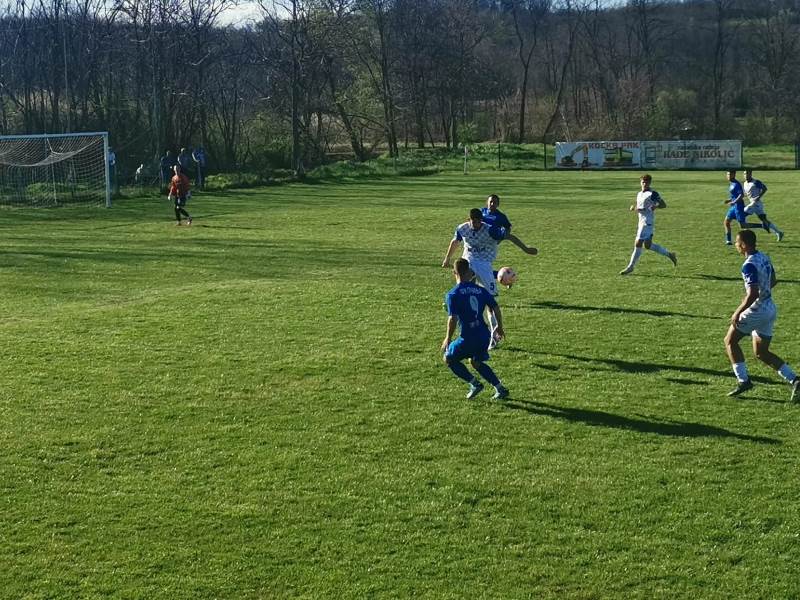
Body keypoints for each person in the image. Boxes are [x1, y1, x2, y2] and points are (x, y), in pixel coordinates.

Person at [442, 208, 537, 346]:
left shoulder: (490, 230)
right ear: (469, 220)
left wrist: (526, 249)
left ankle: (494, 333)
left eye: (478, 222)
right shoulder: (463, 228)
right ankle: (454, 305)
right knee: (463, 291)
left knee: (490, 302)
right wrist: (447, 259)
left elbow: (510, 237)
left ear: (482, 220)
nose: (475, 225)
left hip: (484, 264)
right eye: (473, 222)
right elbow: (455, 242)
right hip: (469, 261)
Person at [724, 229, 799, 401]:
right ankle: (795, 380)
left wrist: (738, 312)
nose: (735, 245)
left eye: (737, 242)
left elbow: (752, 294)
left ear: (743, 245)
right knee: (761, 352)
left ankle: (743, 381)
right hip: (769, 308)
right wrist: (763, 292)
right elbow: (773, 280)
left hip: (756, 311)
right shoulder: (764, 257)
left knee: (730, 341)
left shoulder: (748, 265)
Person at [441, 258, 509, 400]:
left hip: (468, 338)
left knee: (448, 358)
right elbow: (495, 307)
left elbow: (452, 319)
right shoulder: (481, 290)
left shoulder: (453, 294)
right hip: (484, 336)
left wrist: (448, 337)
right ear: (469, 272)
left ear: (454, 272)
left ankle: (475, 384)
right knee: (475, 362)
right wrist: (499, 327)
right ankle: (500, 388)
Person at [620, 174, 677, 275]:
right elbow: (641, 207)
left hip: (647, 222)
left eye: (647, 182)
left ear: (650, 183)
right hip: (641, 222)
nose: (645, 184)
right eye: (643, 182)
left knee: (638, 243)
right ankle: (670, 255)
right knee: (648, 245)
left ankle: (630, 267)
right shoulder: (639, 194)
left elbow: (663, 205)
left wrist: (656, 206)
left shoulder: (653, 193)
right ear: (640, 182)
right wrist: (635, 208)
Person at [724, 169, 767, 245]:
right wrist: (730, 200)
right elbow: (735, 195)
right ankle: (728, 240)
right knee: (726, 222)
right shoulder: (731, 183)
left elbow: (741, 195)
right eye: (727, 174)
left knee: (743, 225)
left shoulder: (736, 184)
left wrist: (734, 202)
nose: (728, 176)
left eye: (730, 174)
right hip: (734, 207)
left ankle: (762, 225)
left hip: (739, 207)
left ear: (734, 175)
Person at [743, 169, 783, 241]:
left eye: (747, 174)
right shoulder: (745, 183)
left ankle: (746, 233)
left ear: (751, 174)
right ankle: (779, 232)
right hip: (755, 204)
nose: (746, 175)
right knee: (764, 220)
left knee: (742, 214)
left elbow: (764, 188)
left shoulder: (756, 182)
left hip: (755, 203)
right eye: (745, 174)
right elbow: (747, 193)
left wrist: (758, 197)